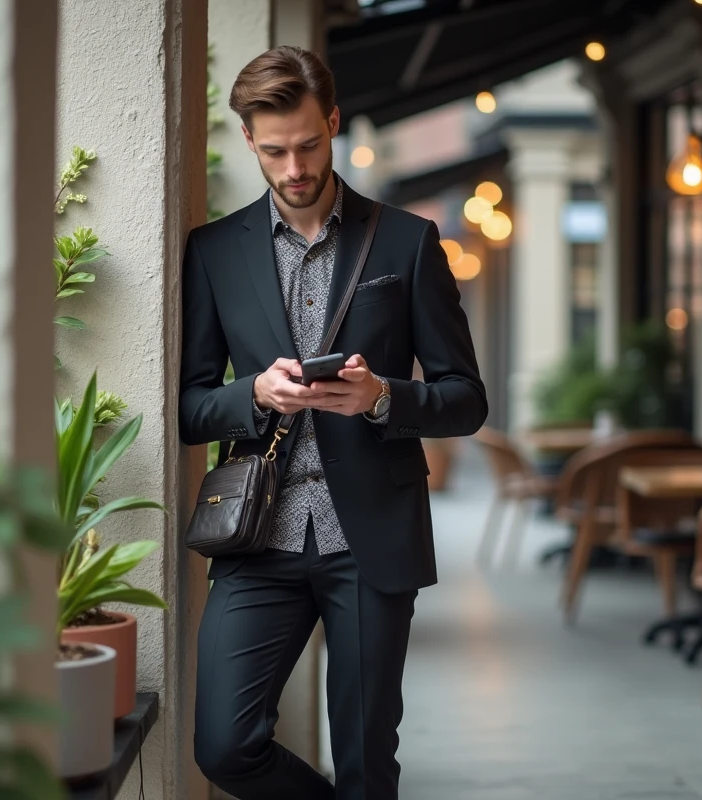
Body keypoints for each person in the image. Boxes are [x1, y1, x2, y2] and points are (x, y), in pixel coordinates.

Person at [179, 45, 488, 800]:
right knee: (224, 746)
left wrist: (383, 397)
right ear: (247, 140)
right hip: (258, 538)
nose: (294, 168)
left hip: (371, 539)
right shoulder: (214, 252)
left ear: (335, 124)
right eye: (274, 151)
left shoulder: (408, 241)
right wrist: (256, 393)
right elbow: (190, 408)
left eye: (309, 146)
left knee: (366, 763)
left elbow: (466, 398)